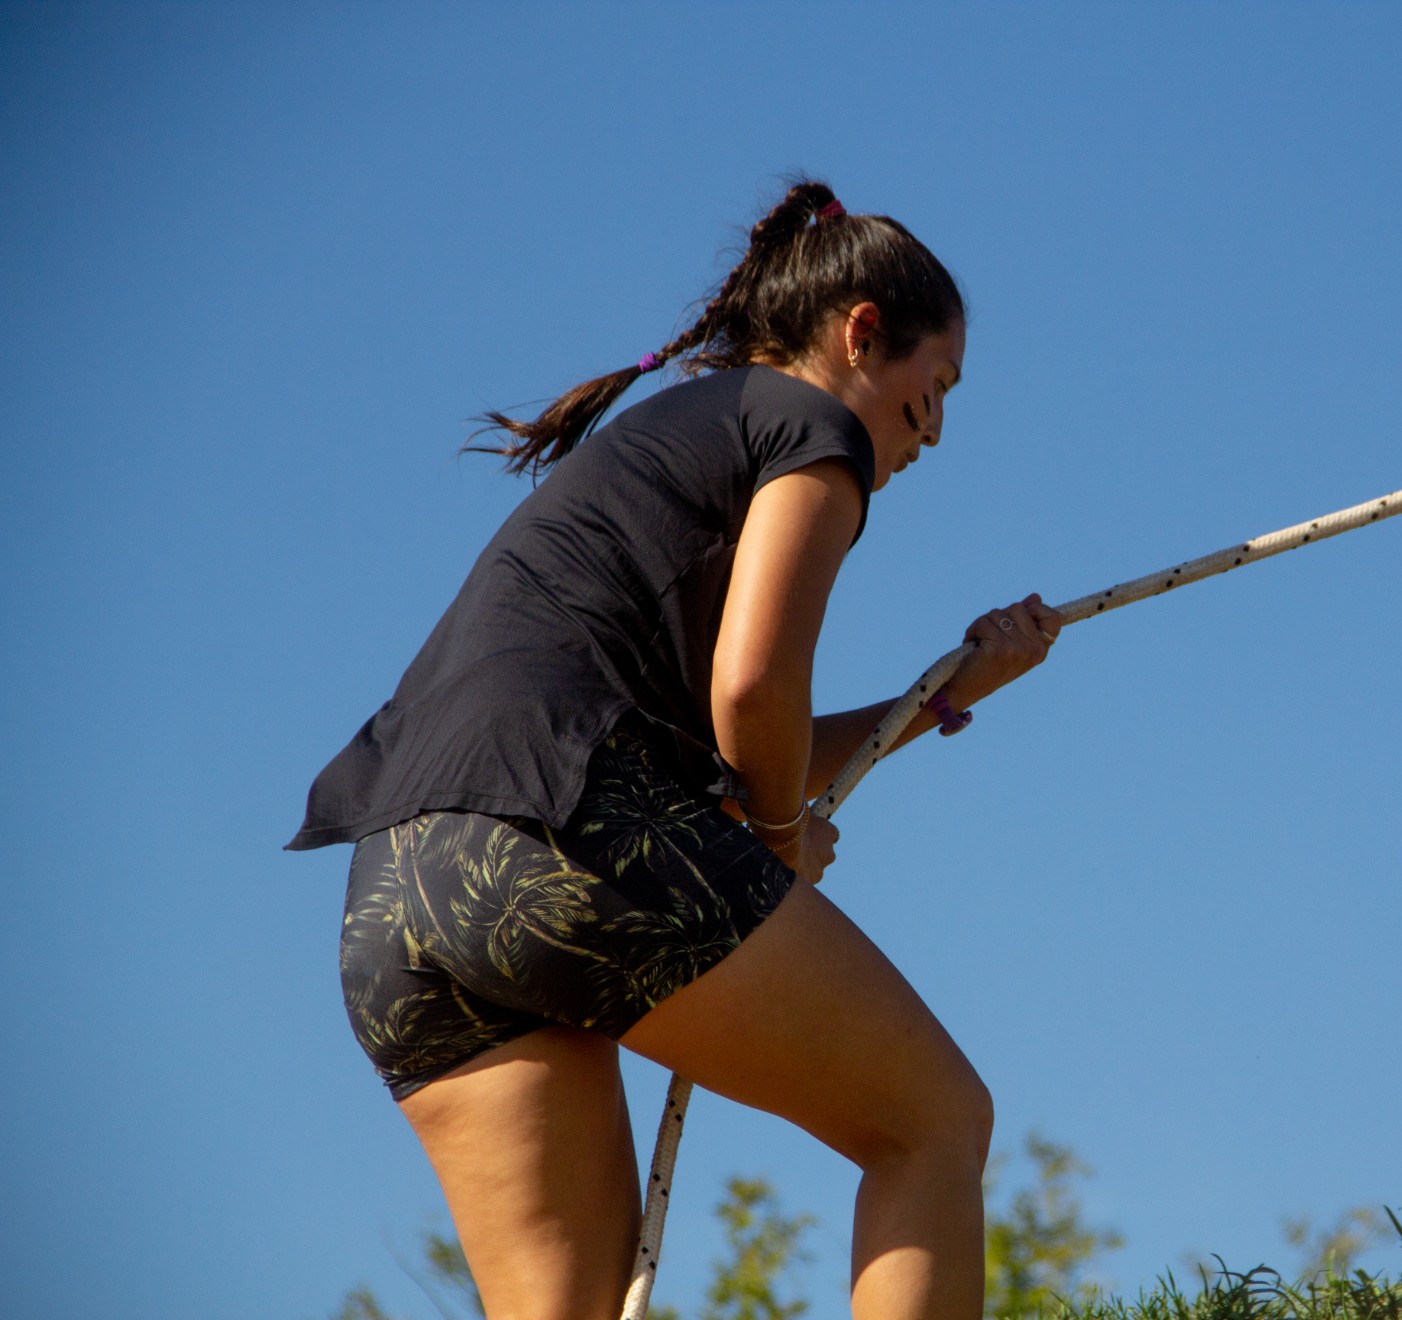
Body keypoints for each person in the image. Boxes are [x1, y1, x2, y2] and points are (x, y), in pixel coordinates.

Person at [286, 179, 1062, 1320]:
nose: (932, 430)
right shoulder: (814, 425)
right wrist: (780, 843)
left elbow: (736, 729)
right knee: (934, 1124)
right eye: (932, 389)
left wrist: (930, 697)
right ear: (860, 335)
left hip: (402, 900)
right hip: (562, 827)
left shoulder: (671, 442)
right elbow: (755, 685)